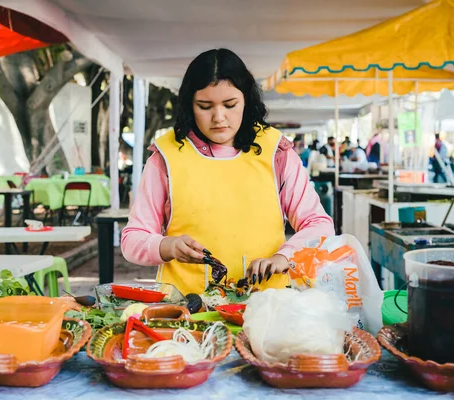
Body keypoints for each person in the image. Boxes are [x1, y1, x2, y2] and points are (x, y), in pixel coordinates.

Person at [121, 49, 334, 295]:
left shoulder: (277, 152)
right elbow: (132, 239)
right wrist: (166, 246)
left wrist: (284, 257)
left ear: (246, 101)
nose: (219, 117)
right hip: (185, 309)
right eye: (204, 106)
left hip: (266, 305)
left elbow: (318, 224)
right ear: (189, 105)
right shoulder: (166, 156)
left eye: (230, 105)